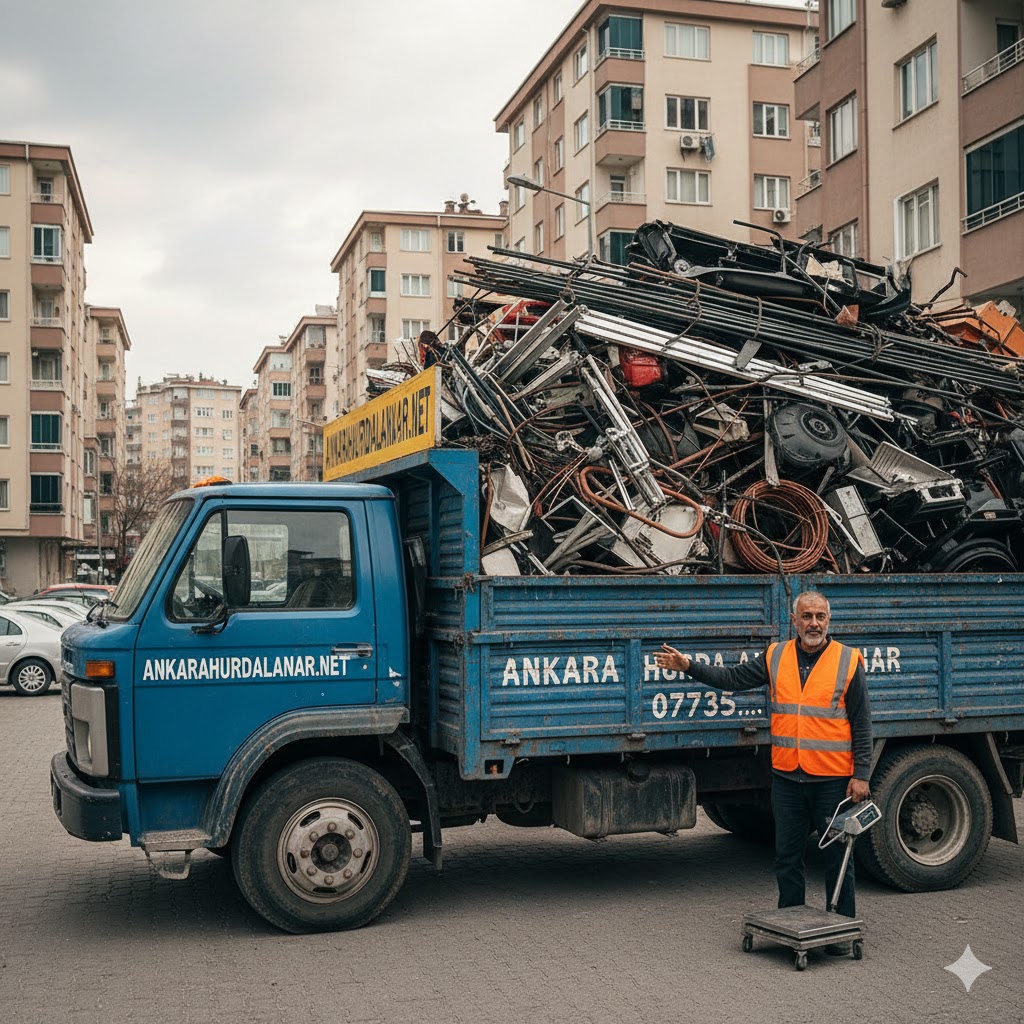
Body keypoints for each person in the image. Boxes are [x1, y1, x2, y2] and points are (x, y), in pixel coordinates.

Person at [655, 590, 872, 950]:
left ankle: (841, 932)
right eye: (807, 617)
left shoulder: (848, 661)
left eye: (820, 616)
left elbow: (862, 723)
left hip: (832, 780)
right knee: (787, 857)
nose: (813, 623)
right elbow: (732, 679)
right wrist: (689, 666)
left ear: (828, 621)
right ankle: (791, 925)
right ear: (794, 620)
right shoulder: (776, 655)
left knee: (837, 857)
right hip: (788, 776)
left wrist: (861, 774)